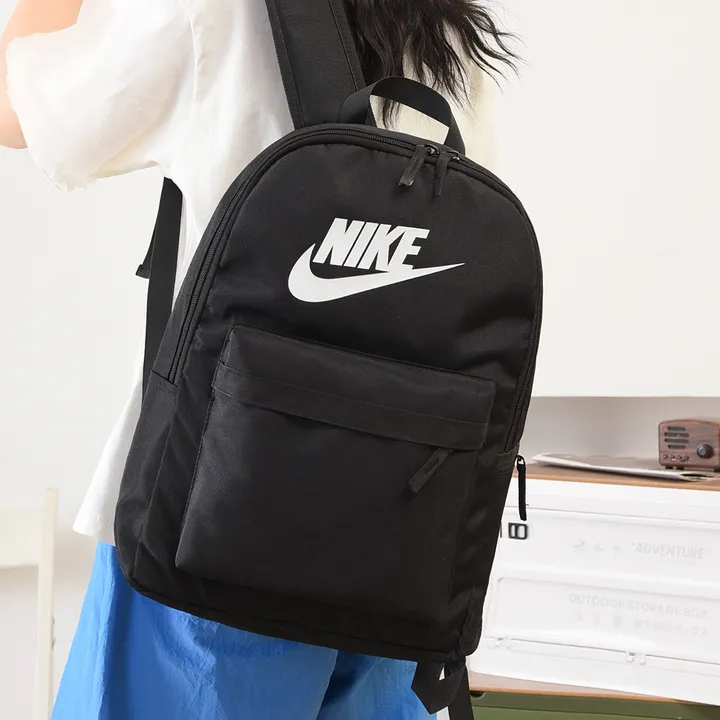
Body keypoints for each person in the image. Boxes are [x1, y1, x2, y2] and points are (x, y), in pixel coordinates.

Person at [0, 1, 517, 718]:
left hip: (209, 523)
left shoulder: (214, 10)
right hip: (394, 543)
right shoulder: (447, 26)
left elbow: (24, 110)